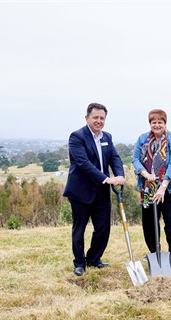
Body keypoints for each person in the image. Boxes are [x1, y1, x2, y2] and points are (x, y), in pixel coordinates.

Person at [63, 103, 125, 277]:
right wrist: (107, 179)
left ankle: (94, 259)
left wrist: (119, 176)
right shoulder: (77, 137)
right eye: (95, 117)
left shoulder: (107, 137)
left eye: (102, 118)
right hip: (80, 191)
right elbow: (84, 164)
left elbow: (115, 158)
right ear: (87, 118)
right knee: (79, 229)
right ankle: (79, 263)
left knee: (103, 228)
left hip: (102, 192)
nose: (99, 121)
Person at [132, 109, 171, 269]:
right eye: (153, 122)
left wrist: (163, 186)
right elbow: (135, 159)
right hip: (148, 188)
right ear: (150, 123)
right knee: (149, 223)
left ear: (165, 123)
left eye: (160, 122)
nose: (157, 125)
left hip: (170, 188)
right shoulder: (142, 139)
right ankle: (154, 254)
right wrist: (145, 174)